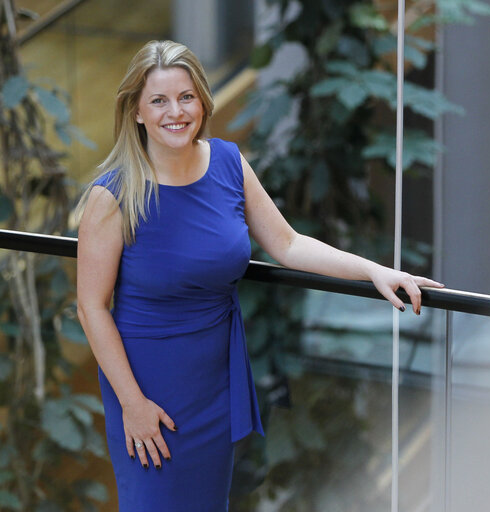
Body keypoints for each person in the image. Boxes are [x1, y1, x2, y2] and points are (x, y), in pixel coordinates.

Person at [75, 40, 443, 511]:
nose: (176, 112)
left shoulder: (228, 162)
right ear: (137, 112)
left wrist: (373, 270)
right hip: (149, 390)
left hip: (214, 381)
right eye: (159, 101)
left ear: (204, 101)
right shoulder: (114, 195)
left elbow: (287, 244)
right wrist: (132, 404)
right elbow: (90, 306)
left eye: (186, 97)